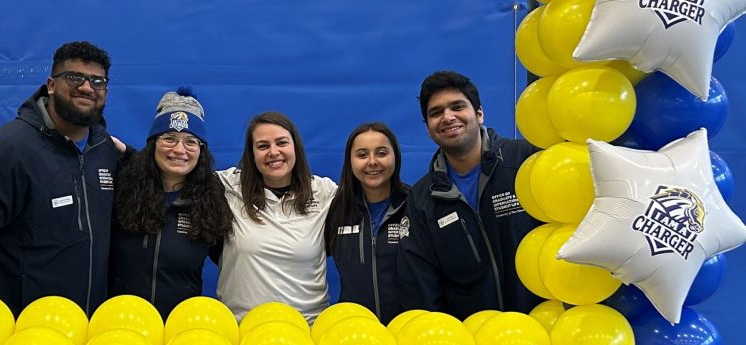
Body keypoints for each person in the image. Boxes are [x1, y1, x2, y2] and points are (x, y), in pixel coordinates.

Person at [0, 41, 133, 316]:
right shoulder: (8, 150)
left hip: (87, 325)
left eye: (97, 81)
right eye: (74, 77)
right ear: (51, 84)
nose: (87, 87)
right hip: (24, 327)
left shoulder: (104, 150)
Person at [398, 70, 542, 320]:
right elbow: (421, 286)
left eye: (457, 106)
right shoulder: (422, 198)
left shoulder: (526, 162)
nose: (447, 117)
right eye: (436, 112)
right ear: (428, 130)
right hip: (472, 334)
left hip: (541, 328)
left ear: (479, 114)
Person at [109, 88, 234, 319]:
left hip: (182, 329)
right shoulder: (123, 191)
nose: (179, 150)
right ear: (153, 144)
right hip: (122, 325)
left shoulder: (213, 201)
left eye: (190, 142)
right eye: (169, 138)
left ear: (201, 150)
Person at [215, 111, 338, 324]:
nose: (274, 152)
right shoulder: (228, 187)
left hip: (306, 328)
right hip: (243, 329)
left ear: (295, 147)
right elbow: (182, 168)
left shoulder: (324, 191)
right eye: (263, 146)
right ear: (252, 154)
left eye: (282, 143)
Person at [324, 122, 410, 324]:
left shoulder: (416, 205)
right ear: (350, 161)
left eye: (381, 153)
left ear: (395, 157)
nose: (372, 162)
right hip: (355, 330)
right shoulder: (337, 210)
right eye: (362, 155)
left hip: (409, 329)